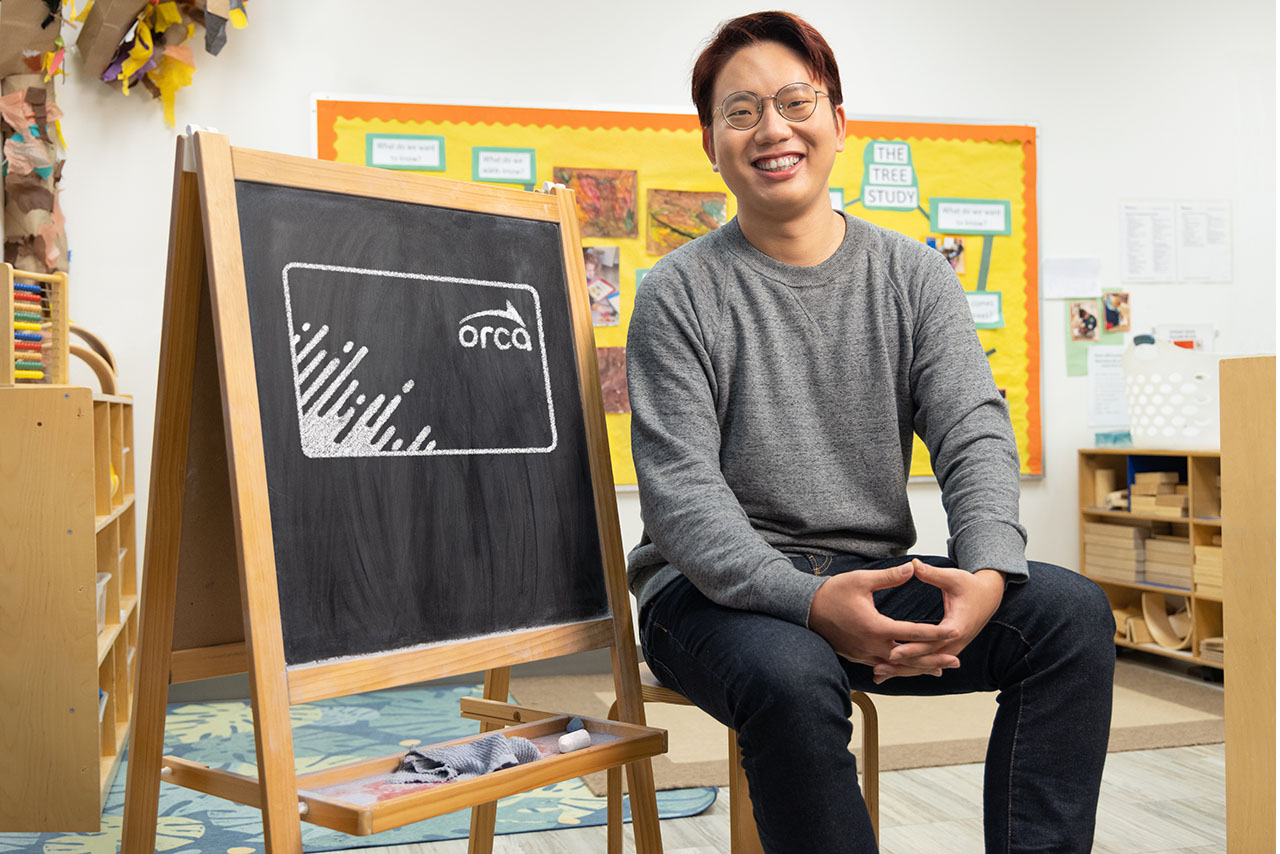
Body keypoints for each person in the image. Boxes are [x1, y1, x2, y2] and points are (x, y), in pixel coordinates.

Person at [625, 11, 1115, 854]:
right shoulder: (677, 292)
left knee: (1069, 618)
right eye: (740, 112)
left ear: (838, 123)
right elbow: (683, 502)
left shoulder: (913, 273)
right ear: (710, 143)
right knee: (792, 673)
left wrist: (991, 569)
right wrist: (809, 602)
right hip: (706, 595)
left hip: (868, 575)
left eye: (794, 101)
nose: (772, 128)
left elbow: (972, 431)